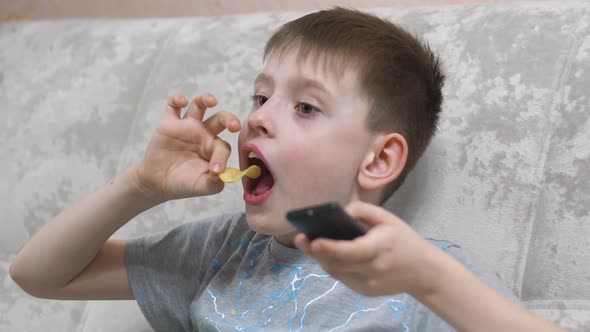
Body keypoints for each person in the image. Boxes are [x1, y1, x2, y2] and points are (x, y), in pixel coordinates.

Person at [10, 7, 565, 332]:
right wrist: (139, 186)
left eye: (305, 107)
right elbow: (39, 275)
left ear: (378, 160)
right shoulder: (223, 251)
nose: (259, 122)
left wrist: (430, 280)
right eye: (259, 98)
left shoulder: (425, 272)